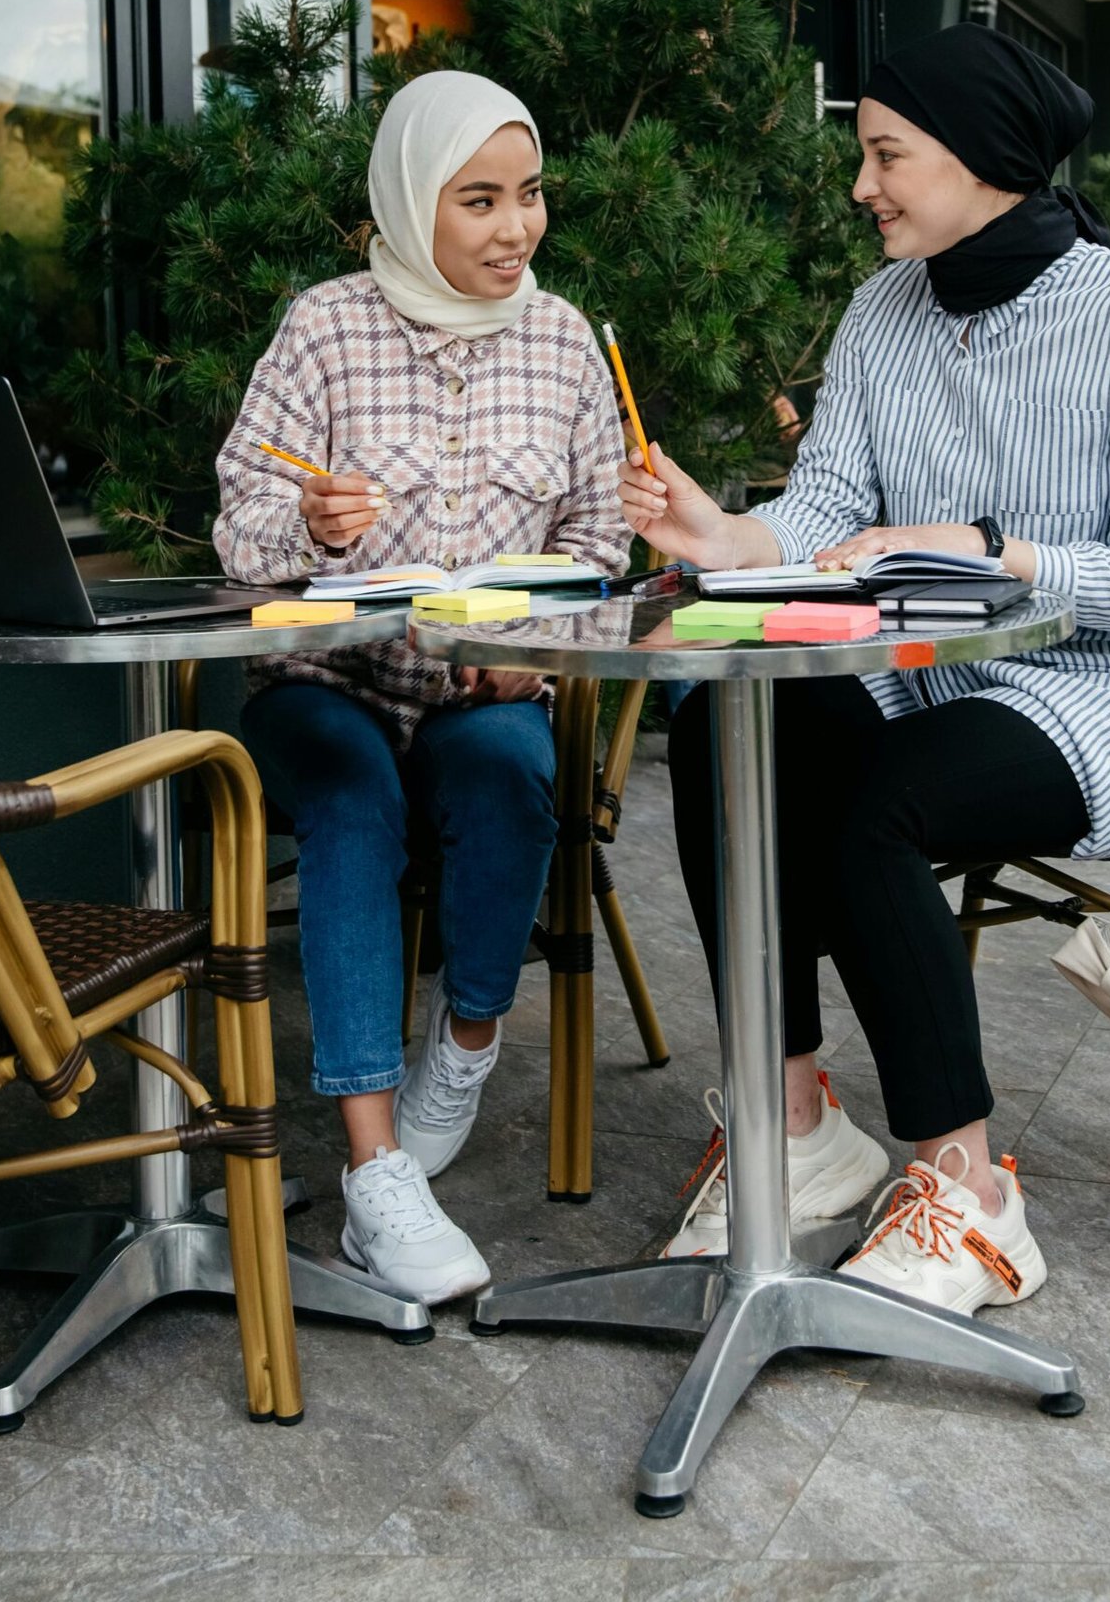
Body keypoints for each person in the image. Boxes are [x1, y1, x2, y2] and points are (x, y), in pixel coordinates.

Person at [621, 24, 1110, 1317]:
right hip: (919, 673)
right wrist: (719, 535)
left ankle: (967, 1185)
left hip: (1096, 689)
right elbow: (826, 501)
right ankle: (792, 1119)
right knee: (732, 732)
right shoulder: (883, 309)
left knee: (884, 811)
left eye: (886, 154)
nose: (861, 185)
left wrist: (1001, 551)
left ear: (983, 157)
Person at [216, 70, 630, 1306]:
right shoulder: (324, 326)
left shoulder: (563, 341)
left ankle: (461, 1043)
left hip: (484, 686)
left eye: (531, 194)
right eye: (479, 200)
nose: (517, 228)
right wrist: (304, 516)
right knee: (351, 805)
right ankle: (374, 1171)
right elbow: (237, 530)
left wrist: (536, 646)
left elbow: (605, 550)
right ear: (409, 206)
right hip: (324, 681)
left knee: (508, 771)